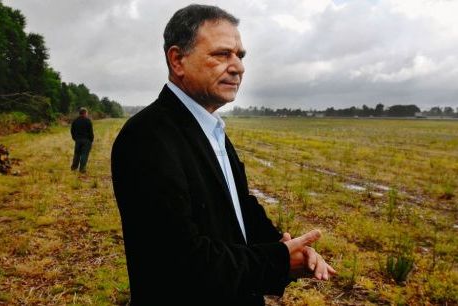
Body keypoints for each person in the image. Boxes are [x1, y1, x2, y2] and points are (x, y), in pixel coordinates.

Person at [111, 4, 335, 306]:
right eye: (222, 54)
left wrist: (287, 247)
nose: (238, 67)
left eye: (240, 56)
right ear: (177, 60)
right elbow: (180, 261)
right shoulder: (146, 138)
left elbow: (239, 207)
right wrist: (279, 260)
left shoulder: (210, 127)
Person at [70, 107, 94, 173]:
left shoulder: (75, 121)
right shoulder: (88, 121)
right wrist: (91, 140)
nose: (87, 114)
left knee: (76, 154)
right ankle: (82, 169)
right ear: (85, 113)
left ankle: (74, 168)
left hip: (78, 140)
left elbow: (72, 131)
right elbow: (91, 132)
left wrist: (74, 138)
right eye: (87, 113)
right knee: (84, 154)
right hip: (86, 140)